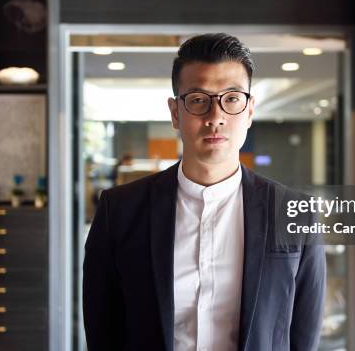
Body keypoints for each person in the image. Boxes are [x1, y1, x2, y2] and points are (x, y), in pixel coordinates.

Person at [83, 33, 326, 351]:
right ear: (175, 113)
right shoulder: (120, 210)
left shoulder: (295, 211)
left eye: (232, 98)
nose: (215, 117)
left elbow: (304, 336)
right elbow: (103, 330)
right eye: (198, 100)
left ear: (250, 110)